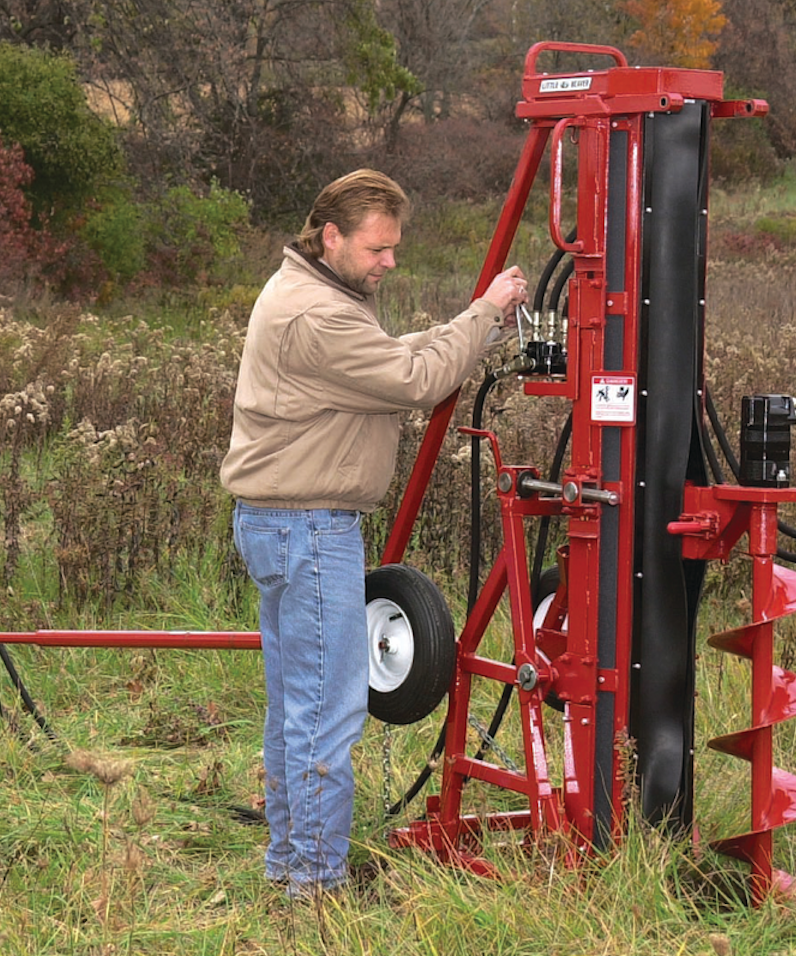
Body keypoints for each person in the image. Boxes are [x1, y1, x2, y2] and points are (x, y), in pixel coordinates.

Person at [220, 168, 526, 897]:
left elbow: (395, 359)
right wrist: (484, 313)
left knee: (297, 707)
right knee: (328, 712)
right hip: (309, 529)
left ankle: (291, 870)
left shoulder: (312, 293)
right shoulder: (319, 316)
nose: (389, 261)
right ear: (331, 236)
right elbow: (416, 380)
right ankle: (317, 890)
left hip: (281, 523)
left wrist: (469, 327)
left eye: (394, 248)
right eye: (377, 248)